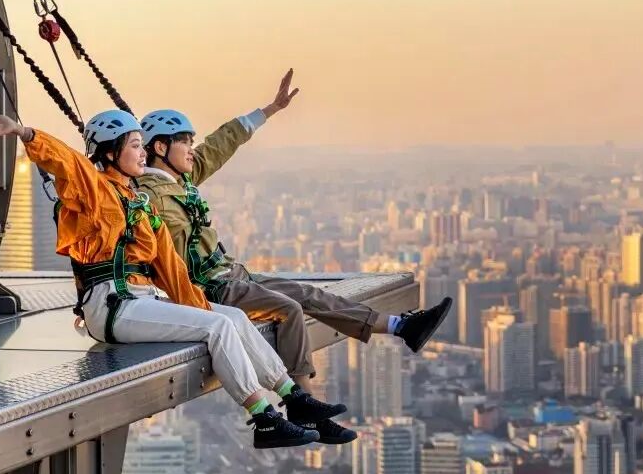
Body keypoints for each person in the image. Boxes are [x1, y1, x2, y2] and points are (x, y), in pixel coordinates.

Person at [0, 110, 348, 450]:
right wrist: (24, 131)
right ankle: (264, 418)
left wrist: (201, 307)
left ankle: (291, 396)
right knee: (218, 327)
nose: (142, 153)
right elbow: (68, 162)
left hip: (141, 300)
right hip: (113, 306)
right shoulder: (96, 189)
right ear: (110, 152)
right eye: (134, 145)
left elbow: (172, 270)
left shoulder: (142, 205)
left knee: (231, 318)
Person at [134, 71, 453, 427]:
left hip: (230, 273)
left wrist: (270, 109)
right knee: (288, 309)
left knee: (308, 293)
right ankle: (304, 404)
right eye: (183, 142)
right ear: (160, 148)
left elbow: (223, 142)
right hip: (207, 286)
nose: (192, 150)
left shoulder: (183, 178)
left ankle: (400, 327)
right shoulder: (145, 196)